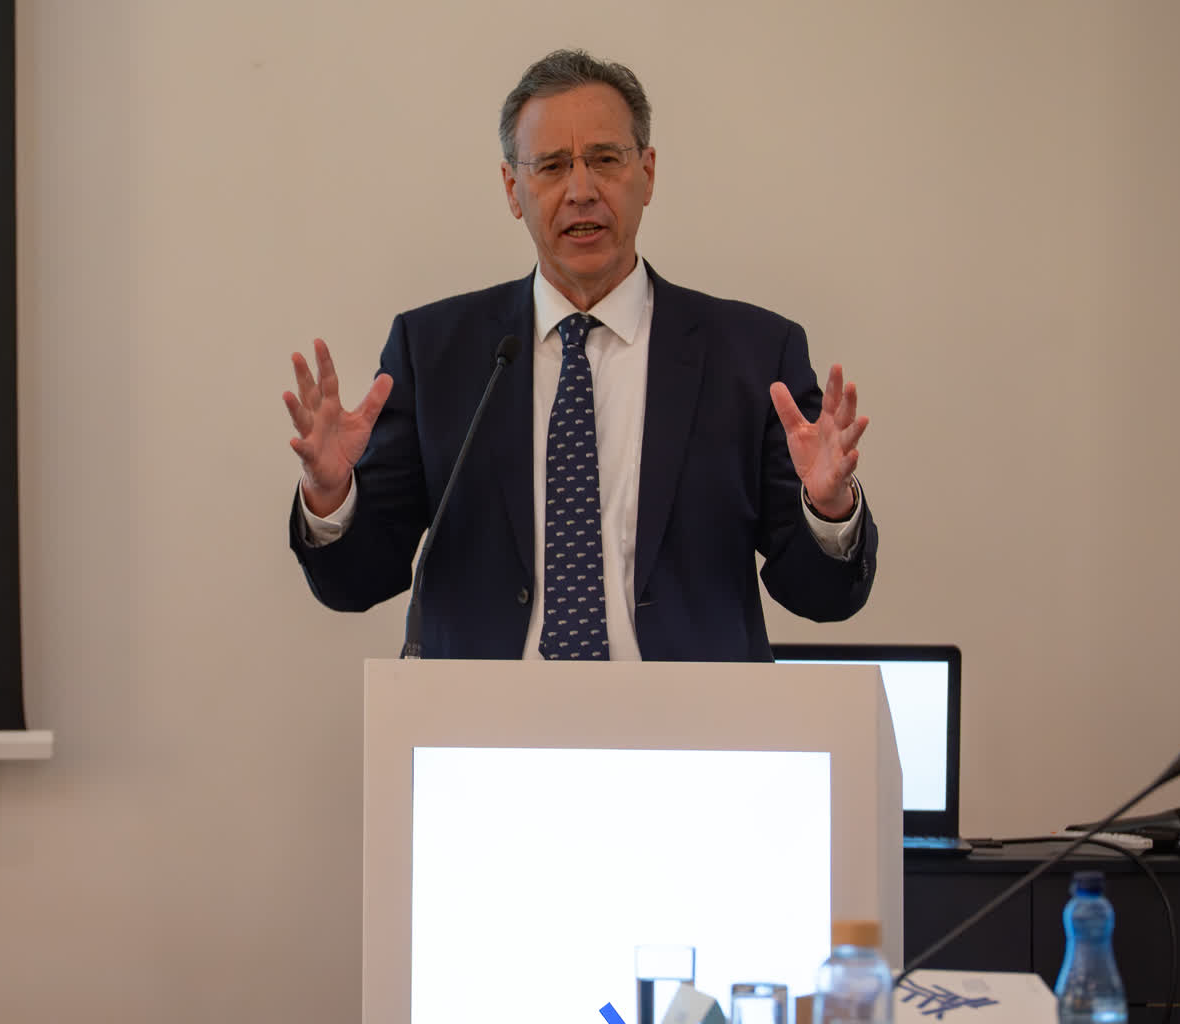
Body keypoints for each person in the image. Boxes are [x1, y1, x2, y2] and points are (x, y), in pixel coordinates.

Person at [282, 49, 877, 661]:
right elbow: (358, 581)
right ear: (513, 189)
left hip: (691, 717)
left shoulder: (752, 355)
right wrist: (331, 496)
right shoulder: (434, 352)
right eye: (552, 166)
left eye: (605, 159)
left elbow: (823, 597)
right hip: (486, 716)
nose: (582, 191)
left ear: (647, 173)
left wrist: (829, 510)